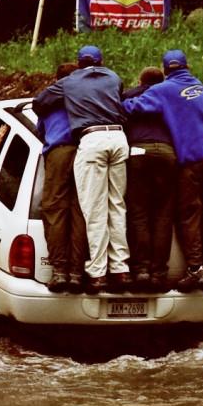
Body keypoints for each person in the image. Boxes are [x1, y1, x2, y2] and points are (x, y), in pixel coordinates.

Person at [122, 49, 203, 292]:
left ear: (166, 69)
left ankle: (195, 270)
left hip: (191, 161)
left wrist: (123, 100)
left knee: (188, 215)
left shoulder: (163, 89)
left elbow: (134, 108)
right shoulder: (198, 85)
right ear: (187, 67)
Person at [32, 45, 130, 293]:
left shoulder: (67, 85)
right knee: (88, 212)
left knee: (57, 210)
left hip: (70, 149)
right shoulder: (112, 79)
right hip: (111, 142)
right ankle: (82, 273)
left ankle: (61, 272)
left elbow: (39, 110)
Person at [122, 66, 176, 292]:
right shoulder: (170, 96)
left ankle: (141, 269)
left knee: (139, 213)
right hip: (166, 153)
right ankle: (158, 273)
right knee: (163, 215)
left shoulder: (129, 96)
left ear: (140, 80)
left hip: (137, 153)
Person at [36, 62, 88, 293]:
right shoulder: (86, 97)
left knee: (55, 209)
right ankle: (77, 273)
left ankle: (60, 272)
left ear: (56, 79)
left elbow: (41, 131)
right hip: (86, 151)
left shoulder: (48, 102)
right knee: (81, 212)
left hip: (59, 152)